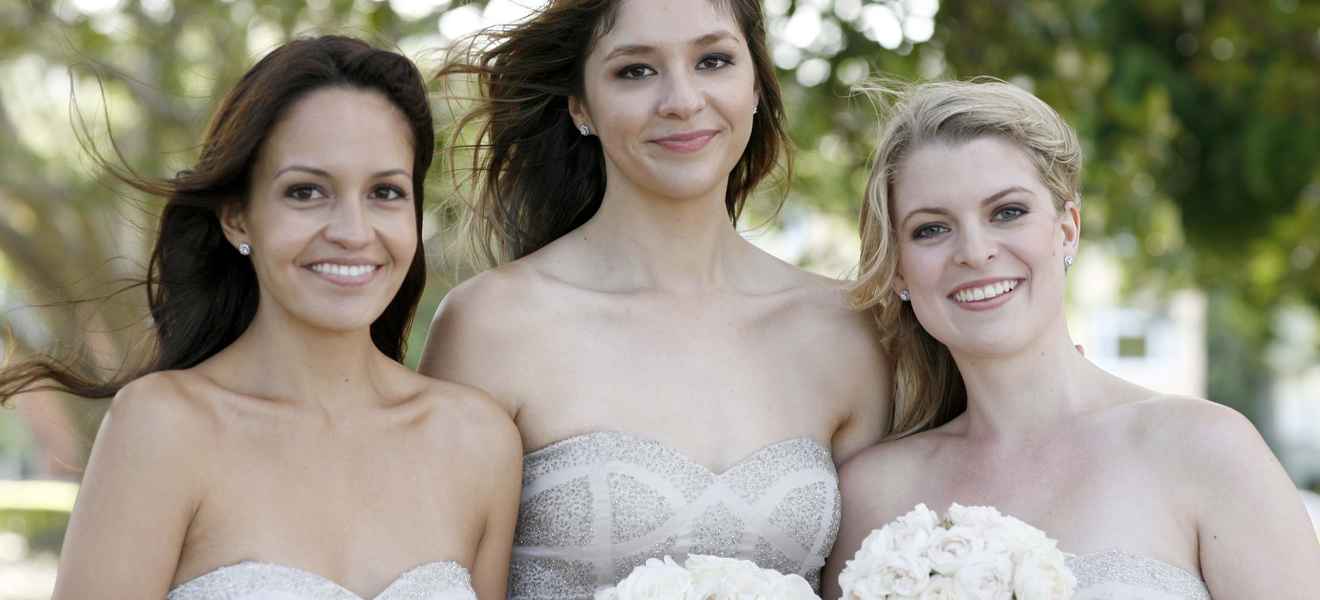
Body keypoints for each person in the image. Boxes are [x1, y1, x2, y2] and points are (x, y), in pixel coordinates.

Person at [0, 35, 521, 600]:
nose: (352, 231)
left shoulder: (477, 440)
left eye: (385, 192)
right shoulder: (162, 429)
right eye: (305, 192)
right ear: (237, 218)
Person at [422, 0, 890, 596]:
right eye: (636, 70)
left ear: (755, 86)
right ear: (581, 106)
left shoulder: (846, 329)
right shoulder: (491, 325)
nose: (682, 100)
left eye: (713, 60)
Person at [824, 79, 1320, 599]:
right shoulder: (871, 494)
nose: (974, 251)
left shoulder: (1206, 449)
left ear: (1067, 229)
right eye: (931, 229)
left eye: (1007, 212)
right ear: (899, 269)